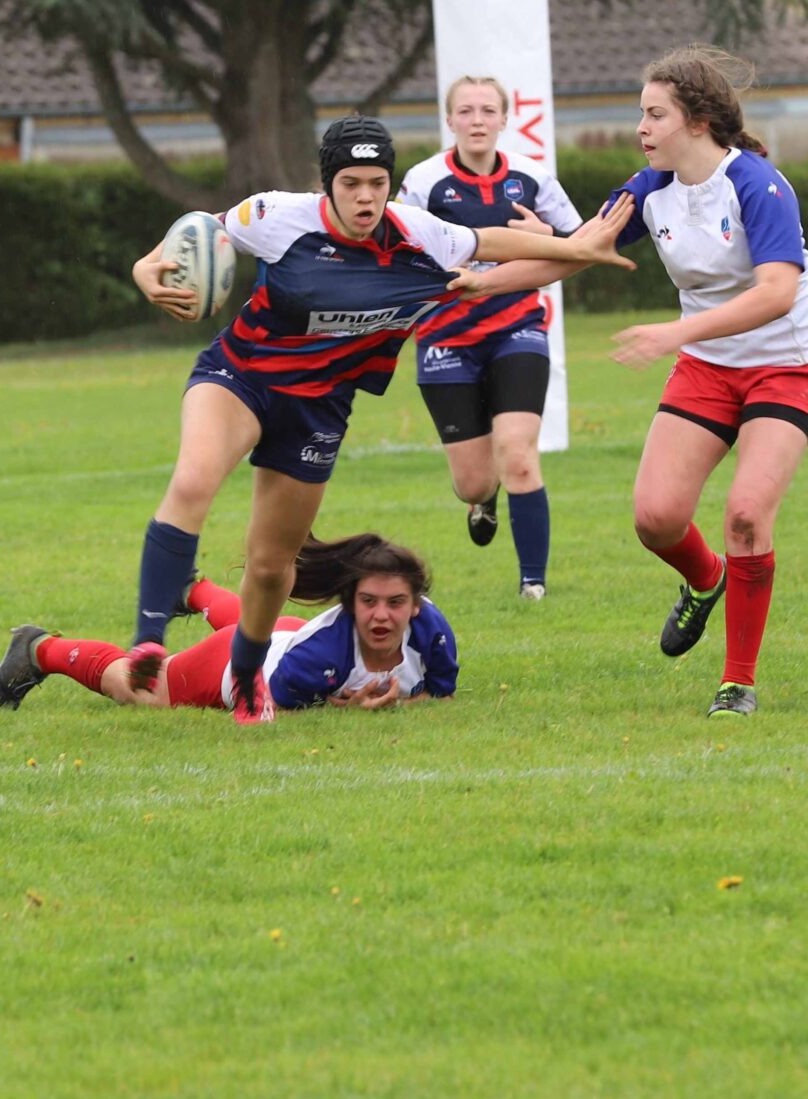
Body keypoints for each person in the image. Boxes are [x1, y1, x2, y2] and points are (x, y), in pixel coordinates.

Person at [123, 114, 633, 718]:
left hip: (320, 409)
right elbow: (199, 233)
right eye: (350, 183)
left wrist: (577, 248)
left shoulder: (420, 235)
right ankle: (147, 642)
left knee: (271, 566)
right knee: (192, 482)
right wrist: (145, 268)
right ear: (327, 184)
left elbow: (494, 243)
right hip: (241, 377)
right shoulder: (275, 216)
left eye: (376, 183)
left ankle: (249, 675)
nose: (365, 197)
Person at [457, 48, 808, 717]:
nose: (642, 127)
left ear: (698, 121)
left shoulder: (758, 184)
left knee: (747, 515)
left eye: (655, 114)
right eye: (642, 114)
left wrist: (674, 334)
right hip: (709, 365)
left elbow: (778, 293)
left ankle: (737, 683)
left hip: (787, 362)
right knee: (656, 519)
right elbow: (577, 251)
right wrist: (480, 283)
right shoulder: (649, 187)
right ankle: (706, 579)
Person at [398, 76, 584, 598]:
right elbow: (392, 248)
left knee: (519, 454)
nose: (476, 120)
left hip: (517, 329)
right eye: (465, 111)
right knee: (473, 482)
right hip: (446, 338)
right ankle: (484, 499)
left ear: (505, 118)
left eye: (487, 110)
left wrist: (549, 236)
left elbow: (584, 243)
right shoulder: (424, 181)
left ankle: (533, 585)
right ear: (449, 120)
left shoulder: (532, 177)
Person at [0, 534, 456, 715]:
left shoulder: (432, 633)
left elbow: (441, 695)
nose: (381, 615)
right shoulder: (322, 656)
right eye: (368, 602)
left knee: (264, 623)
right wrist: (347, 711)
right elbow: (274, 708)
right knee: (141, 688)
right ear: (350, 604)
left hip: (285, 633)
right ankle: (38, 649)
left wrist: (403, 703)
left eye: (396, 603)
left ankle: (190, 589)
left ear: (416, 605)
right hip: (237, 664)